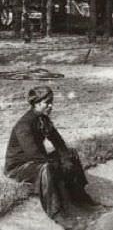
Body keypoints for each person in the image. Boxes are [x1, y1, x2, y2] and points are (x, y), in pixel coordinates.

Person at [4, 86, 99, 228]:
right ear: (36, 104)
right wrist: (58, 164)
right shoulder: (24, 125)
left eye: (52, 102)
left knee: (70, 153)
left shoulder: (43, 119)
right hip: (18, 167)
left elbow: (59, 144)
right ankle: (57, 213)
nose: (51, 106)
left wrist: (66, 159)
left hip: (36, 161)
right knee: (46, 168)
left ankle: (80, 196)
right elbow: (34, 155)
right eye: (47, 102)